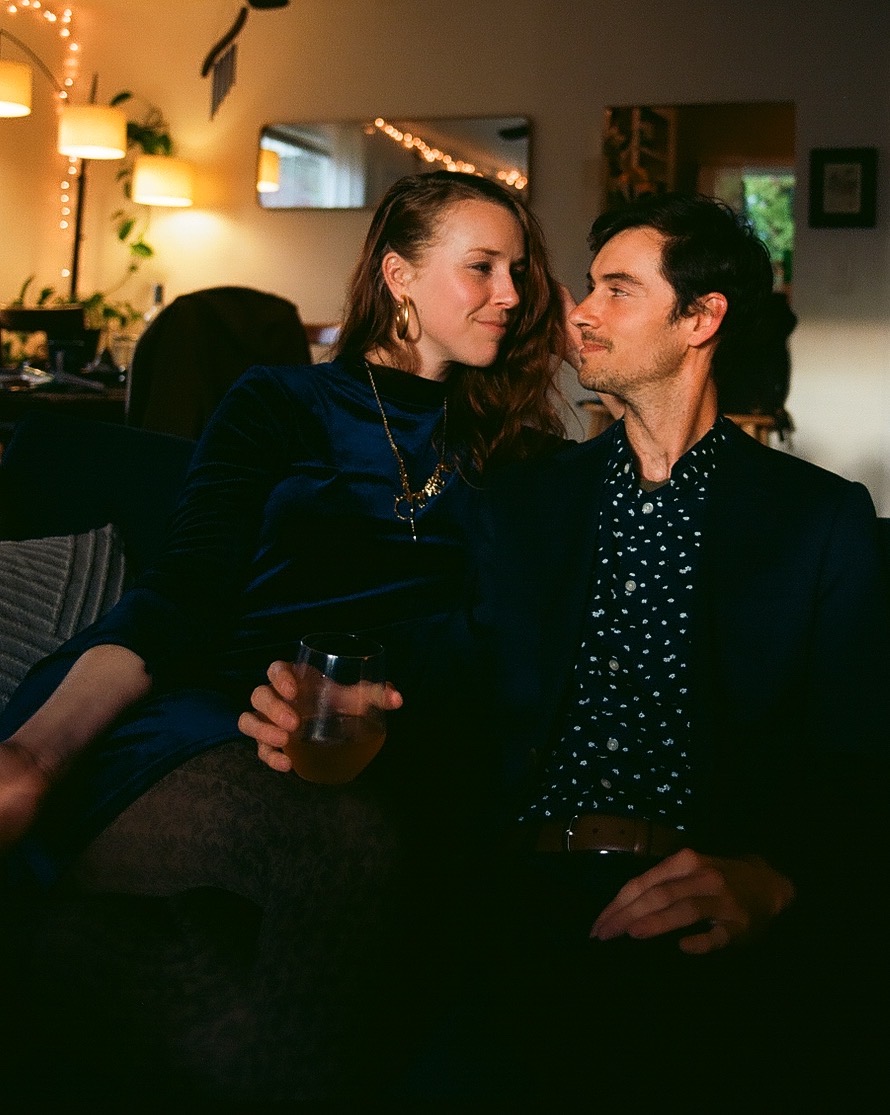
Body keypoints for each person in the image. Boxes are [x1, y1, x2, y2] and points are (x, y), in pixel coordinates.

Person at [247, 193, 890, 1107]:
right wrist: (350, 697)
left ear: (701, 318)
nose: (578, 312)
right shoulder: (526, 500)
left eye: (618, 290)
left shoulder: (817, 522)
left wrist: (772, 879)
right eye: (588, 286)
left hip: (696, 910)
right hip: (517, 899)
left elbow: (859, 759)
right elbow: (459, 668)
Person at [0, 169, 568, 1103]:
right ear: (398, 275)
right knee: (347, 846)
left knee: (269, 991)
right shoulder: (278, 403)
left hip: (397, 729)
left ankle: (50, 966)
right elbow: (181, 595)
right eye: (482, 267)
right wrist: (35, 754)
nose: (510, 294)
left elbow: (505, 641)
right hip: (221, 717)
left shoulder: (516, 452)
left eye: (519, 271)